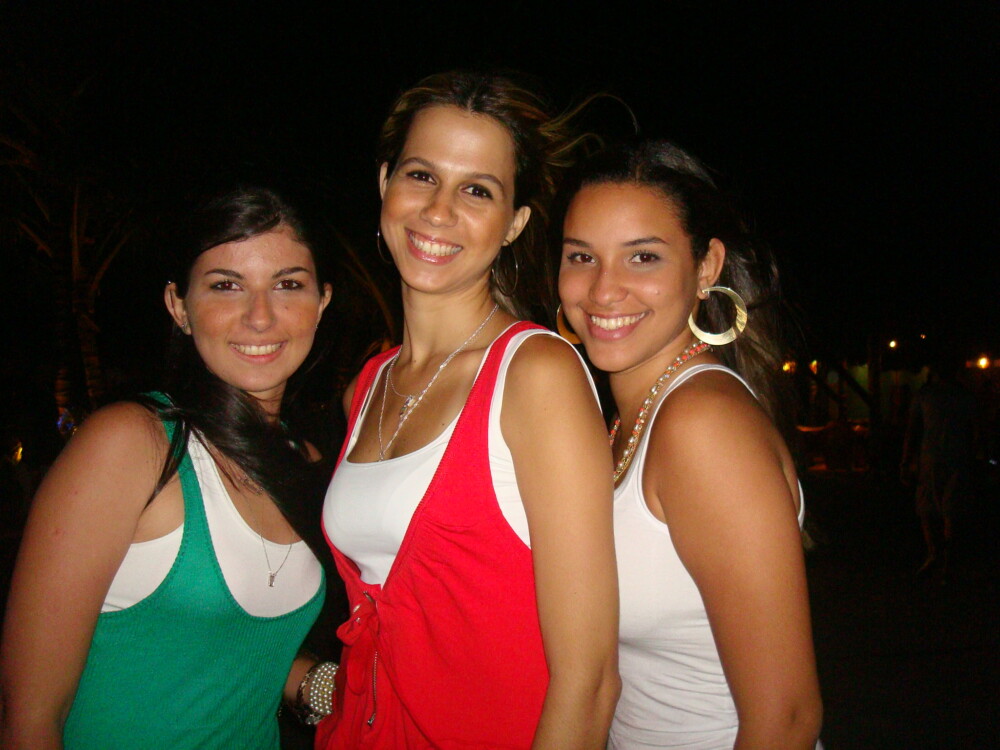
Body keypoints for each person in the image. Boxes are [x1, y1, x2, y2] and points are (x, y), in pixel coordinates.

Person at [318, 71, 620, 749]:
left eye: (477, 190)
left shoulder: (535, 375)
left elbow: (590, 679)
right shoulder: (367, 385)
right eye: (421, 175)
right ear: (385, 183)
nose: (438, 209)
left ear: (515, 224)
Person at [0, 187, 334, 749]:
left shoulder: (311, 463)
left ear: (322, 302)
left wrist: (332, 688)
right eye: (226, 285)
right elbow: (27, 717)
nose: (260, 317)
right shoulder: (132, 445)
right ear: (179, 306)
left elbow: (238, 649)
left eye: (287, 284)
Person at [558, 141, 823, 749]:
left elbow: (787, 719)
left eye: (642, 257)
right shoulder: (625, 422)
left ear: (706, 268)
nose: (603, 290)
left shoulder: (702, 424)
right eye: (582, 256)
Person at [901, 356, 977, 579]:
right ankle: (940, 556)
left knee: (936, 508)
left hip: (938, 458)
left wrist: (906, 460)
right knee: (942, 508)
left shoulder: (930, 395)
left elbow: (912, 430)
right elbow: (976, 430)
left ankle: (940, 556)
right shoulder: (960, 396)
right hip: (949, 458)